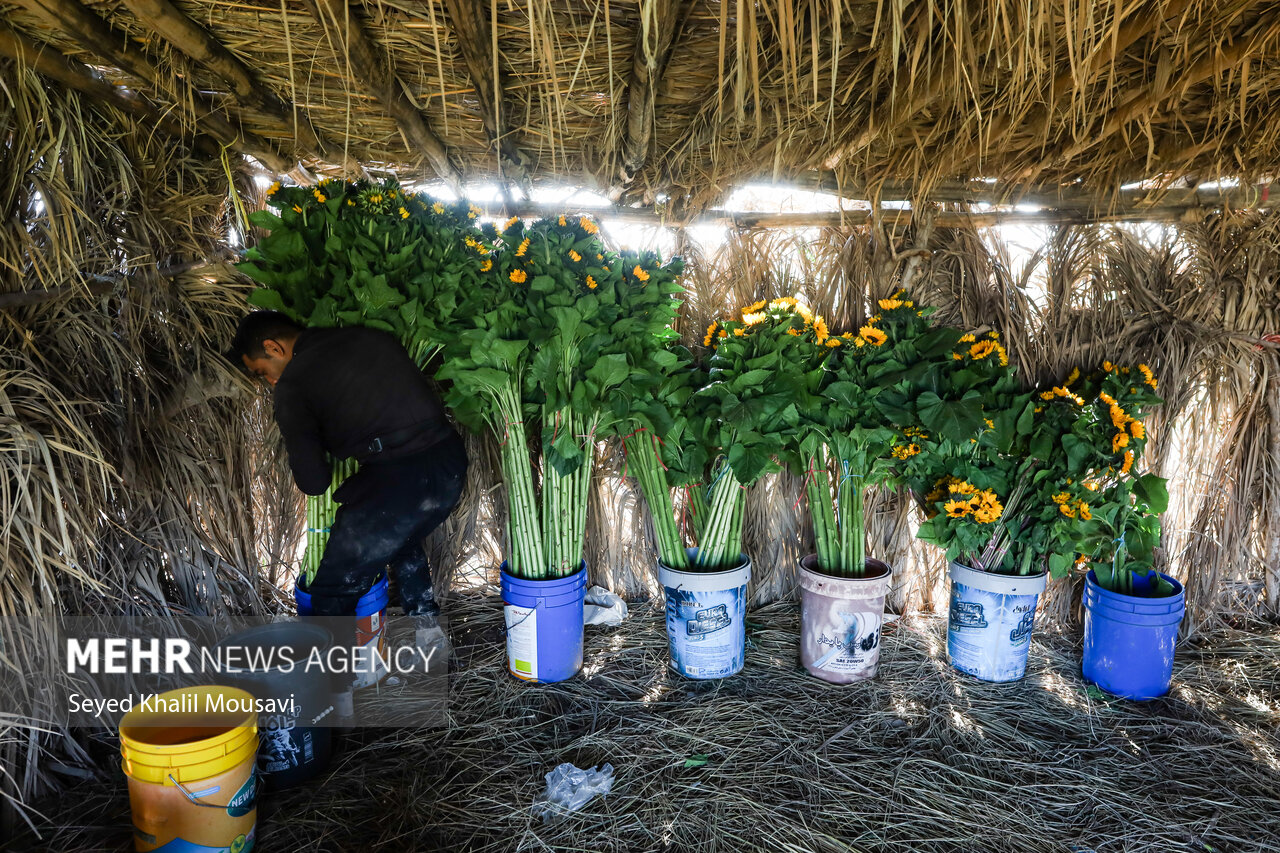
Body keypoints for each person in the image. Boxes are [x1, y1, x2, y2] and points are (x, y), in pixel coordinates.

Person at [227, 311, 466, 718]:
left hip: (401, 483)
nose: (268, 381)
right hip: (448, 467)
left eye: (262, 371)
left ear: (273, 347)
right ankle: (427, 630)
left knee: (330, 591)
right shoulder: (367, 336)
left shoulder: (294, 384)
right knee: (399, 536)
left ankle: (335, 703)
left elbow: (314, 483)